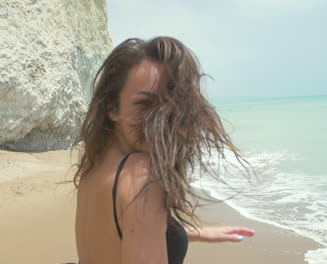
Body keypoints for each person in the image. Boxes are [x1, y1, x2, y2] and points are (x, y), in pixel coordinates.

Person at [71, 37, 255, 264]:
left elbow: (114, 234)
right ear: (112, 107)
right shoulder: (141, 175)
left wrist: (194, 233)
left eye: (169, 105)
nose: (161, 120)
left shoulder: (95, 162)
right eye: (144, 105)